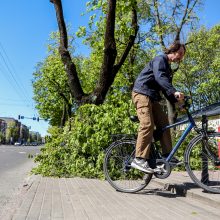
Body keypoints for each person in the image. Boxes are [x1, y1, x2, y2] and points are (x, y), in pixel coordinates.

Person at [131, 41, 186, 173]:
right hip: (142, 93)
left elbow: (166, 90)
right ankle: (139, 159)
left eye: (182, 55)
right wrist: (174, 91)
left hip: (153, 97)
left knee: (164, 124)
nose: (181, 57)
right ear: (173, 50)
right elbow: (160, 77)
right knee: (147, 124)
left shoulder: (167, 68)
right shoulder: (160, 59)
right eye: (180, 53)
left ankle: (168, 156)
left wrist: (179, 103)